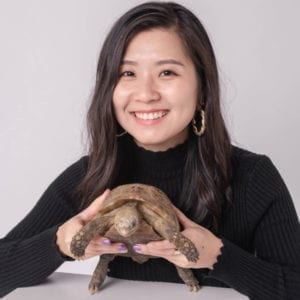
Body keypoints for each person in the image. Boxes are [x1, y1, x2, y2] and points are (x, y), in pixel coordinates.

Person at [0, 2, 299, 299]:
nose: (146, 94)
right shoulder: (91, 176)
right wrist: (59, 243)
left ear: (203, 86)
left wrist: (217, 256)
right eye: (127, 74)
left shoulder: (253, 177)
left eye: (167, 72)